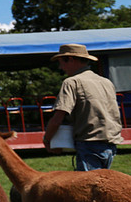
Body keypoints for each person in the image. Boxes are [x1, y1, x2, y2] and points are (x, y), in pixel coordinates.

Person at [42, 43, 123, 171]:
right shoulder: (106, 82)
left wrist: (47, 139)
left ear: (71, 59)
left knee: (87, 189)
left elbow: (58, 118)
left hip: (89, 143)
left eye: (61, 62)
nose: (60, 67)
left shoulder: (71, 82)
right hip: (110, 144)